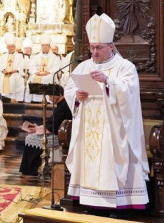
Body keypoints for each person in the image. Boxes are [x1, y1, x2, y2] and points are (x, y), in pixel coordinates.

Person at [64, 13, 149, 209]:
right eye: (92, 48)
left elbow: (130, 92)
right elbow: (69, 89)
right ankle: (87, 201)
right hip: (87, 127)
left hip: (113, 128)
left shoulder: (125, 67)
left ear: (111, 46)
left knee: (109, 159)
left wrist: (108, 81)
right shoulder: (83, 66)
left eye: (99, 48)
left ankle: (117, 203)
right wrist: (77, 96)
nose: (94, 52)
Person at [19, 94, 72, 176]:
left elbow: (53, 126)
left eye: (51, 96)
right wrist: (38, 128)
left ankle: (32, 169)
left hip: (59, 136)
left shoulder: (64, 105)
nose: (49, 98)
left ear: (59, 94)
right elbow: (52, 123)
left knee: (30, 138)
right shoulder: (62, 104)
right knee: (30, 137)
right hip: (57, 132)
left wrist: (38, 129)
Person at [28, 34, 61, 102]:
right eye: (43, 45)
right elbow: (32, 66)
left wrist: (48, 72)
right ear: (41, 46)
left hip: (49, 74)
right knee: (33, 77)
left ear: (49, 46)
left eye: (46, 45)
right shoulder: (36, 57)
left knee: (49, 77)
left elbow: (56, 67)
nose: (45, 47)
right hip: (38, 74)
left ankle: (49, 100)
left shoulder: (54, 57)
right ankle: (35, 99)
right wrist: (36, 72)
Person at [0, 33, 26, 102]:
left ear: (14, 47)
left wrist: (15, 70)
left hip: (15, 73)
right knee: (0, 78)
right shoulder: (3, 56)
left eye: (12, 46)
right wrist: (3, 70)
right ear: (7, 47)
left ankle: (14, 98)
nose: (11, 48)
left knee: (14, 78)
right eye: (9, 46)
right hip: (5, 73)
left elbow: (21, 66)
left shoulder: (19, 56)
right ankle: (3, 97)